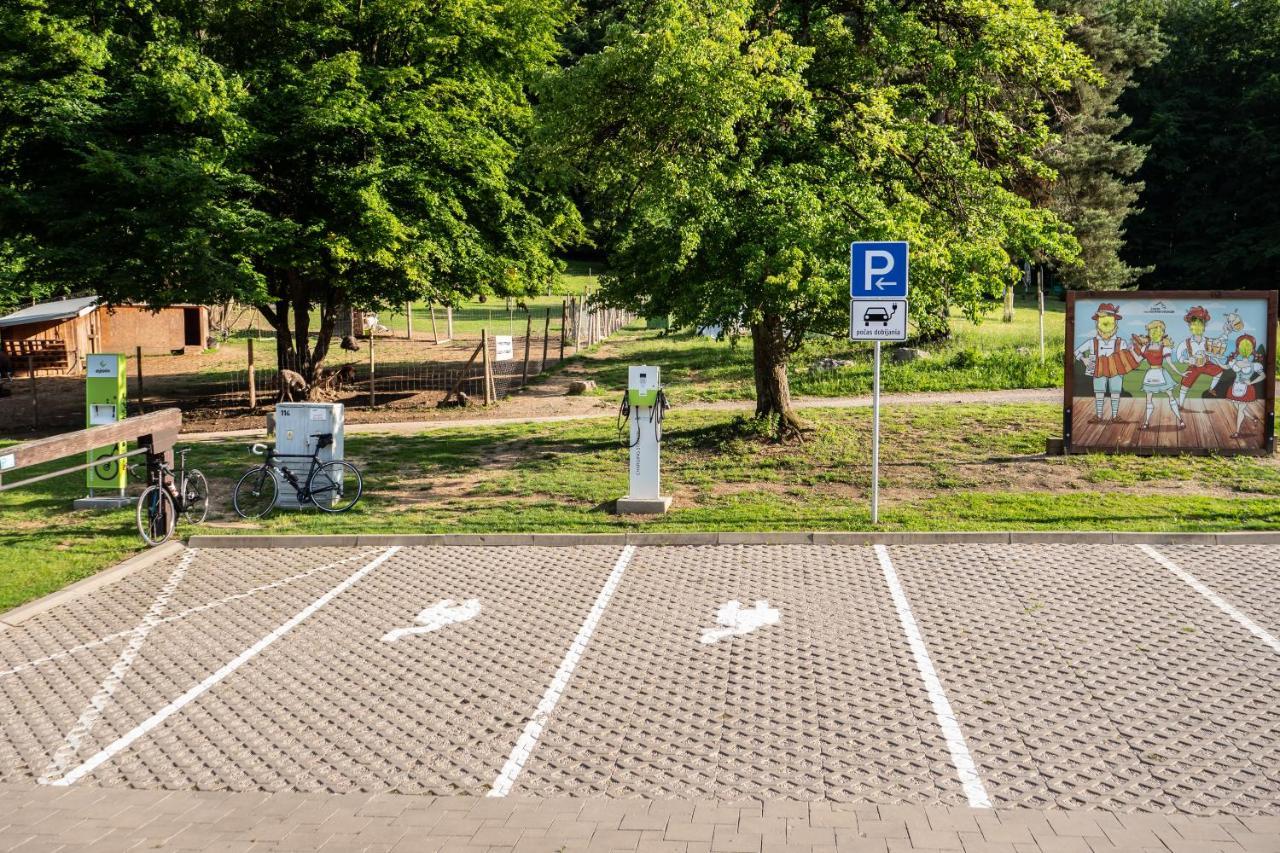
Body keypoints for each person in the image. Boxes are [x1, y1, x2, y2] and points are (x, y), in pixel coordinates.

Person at [1072, 303, 1138, 422]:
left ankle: (1114, 416)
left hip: (1116, 369)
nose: (1106, 324)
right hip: (1096, 366)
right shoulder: (1092, 342)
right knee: (1099, 392)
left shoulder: (1120, 342)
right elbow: (1076, 351)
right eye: (1103, 321)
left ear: (1115, 323)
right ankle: (1099, 416)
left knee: (1115, 392)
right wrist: (1084, 359)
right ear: (1097, 323)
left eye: (1110, 321)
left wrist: (1132, 350)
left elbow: (1126, 356)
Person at [1131, 320, 1185, 430]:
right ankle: (1146, 423)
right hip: (1150, 375)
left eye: (1159, 332)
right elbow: (1137, 360)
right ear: (1149, 333)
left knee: (1171, 396)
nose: (1156, 334)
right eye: (1153, 331)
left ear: (1162, 333)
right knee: (1149, 399)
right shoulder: (1145, 348)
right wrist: (1132, 350)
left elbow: (1170, 363)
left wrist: (1180, 373)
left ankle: (1180, 420)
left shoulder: (1164, 347)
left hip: (1162, 374)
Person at [1174, 306, 1224, 409]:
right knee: (1184, 384)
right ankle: (1181, 404)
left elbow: (1214, 350)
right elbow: (1179, 355)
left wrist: (1213, 356)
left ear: (1204, 327)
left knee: (1219, 371)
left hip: (1206, 364)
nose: (1197, 328)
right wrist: (1187, 360)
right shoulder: (1186, 343)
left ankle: (1211, 388)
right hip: (1194, 366)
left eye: (1200, 325)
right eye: (1194, 325)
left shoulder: (1208, 341)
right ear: (1190, 327)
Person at [1224, 334, 1266, 438]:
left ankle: (1237, 431)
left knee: (1240, 410)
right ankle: (1253, 418)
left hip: (1246, 389)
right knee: (1238, 407)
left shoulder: (1254, 365)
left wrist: (1251, 382)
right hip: (1235, 387)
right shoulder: (1236, 362)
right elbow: (1225, 366)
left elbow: (1263, 375)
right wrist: (1215, 360)